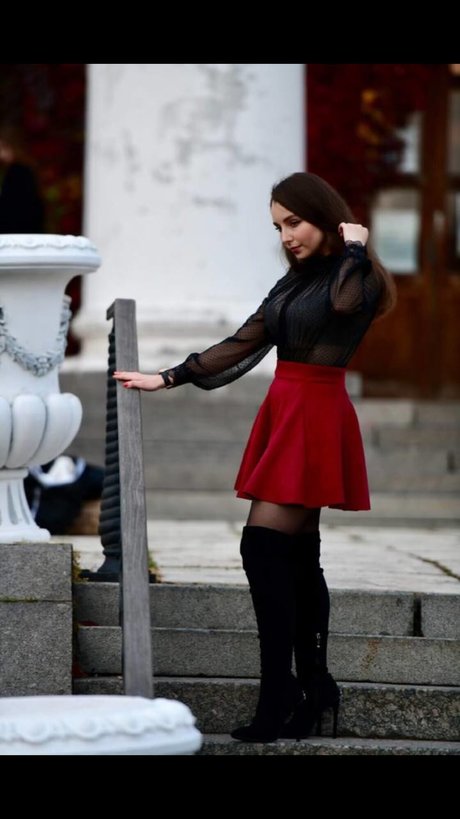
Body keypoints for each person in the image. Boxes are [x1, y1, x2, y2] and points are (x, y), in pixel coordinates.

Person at [113, 171, 396, 743]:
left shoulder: (355, 278)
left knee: (262, 546)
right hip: (286, 410)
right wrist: (168, 376)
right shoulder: (291, 286)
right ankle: (313, 686)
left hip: (316, 415)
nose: (286, 235)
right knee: (295, 558)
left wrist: (356, 246)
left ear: (326, 216)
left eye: (294, 222)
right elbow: (245, 342)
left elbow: (344, 307)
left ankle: (282, 692)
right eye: (277, 226)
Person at [0, 124, 44, 233]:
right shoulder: (18, 170)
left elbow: (13, 207)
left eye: (3, 147)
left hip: (18, 235)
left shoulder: (19, 171)